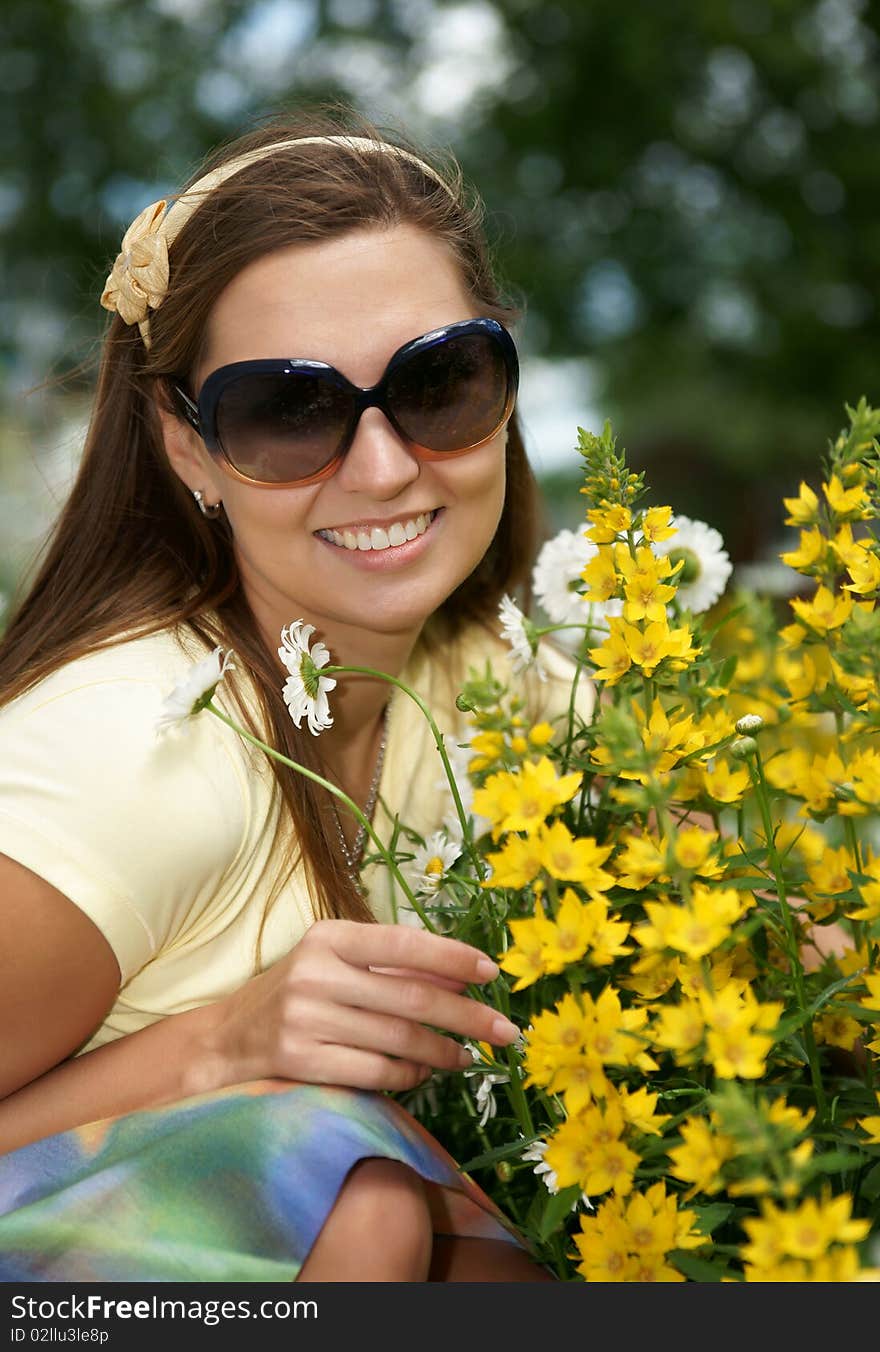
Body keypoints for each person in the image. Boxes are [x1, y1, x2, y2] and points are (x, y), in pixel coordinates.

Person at [0, 106, 591, 1283]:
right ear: (184, 448)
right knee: (354, 1191)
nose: (382, 466)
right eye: (285, 409)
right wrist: (220, 1043)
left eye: (440, 381)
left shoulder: (519, 696)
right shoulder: (126, 762)